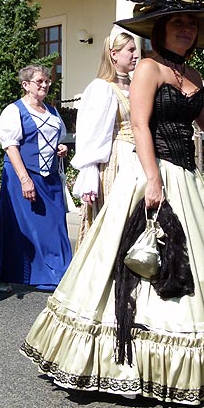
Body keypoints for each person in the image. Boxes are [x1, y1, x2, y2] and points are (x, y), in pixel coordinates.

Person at [22, 0, 204, 405]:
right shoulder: (148, 68)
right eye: (178, 23)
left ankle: (177, 365)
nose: (185, 29)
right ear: (161, 29)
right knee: (135, 263)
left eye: (191, 24)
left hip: (187, 177)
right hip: (152, 172)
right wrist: (152, 179)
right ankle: (124, 364)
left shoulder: (194, 77)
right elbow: (142, 126)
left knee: (190, 267)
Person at [0, 64, 72, 293]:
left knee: (55, 225)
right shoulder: (14, 111)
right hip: (22, 176)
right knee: (16, 227)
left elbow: (57, 138)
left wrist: (60, 148)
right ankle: (3, 274)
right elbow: (11, 146)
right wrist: (25, 180)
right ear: (26, 85)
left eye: (47, 81)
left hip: (50, 177)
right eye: (39, 81)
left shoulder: (53, 112)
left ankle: (58, 272)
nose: (45, 85)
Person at [70, 27, 138, 248]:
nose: (136, 55)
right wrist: (89, 176)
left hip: (139, 159)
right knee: (113, 221)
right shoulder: (102, 88)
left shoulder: (137, 85)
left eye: (136, 50)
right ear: (114, 54)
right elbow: (92, 136)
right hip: (116, 161)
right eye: (130, 50)